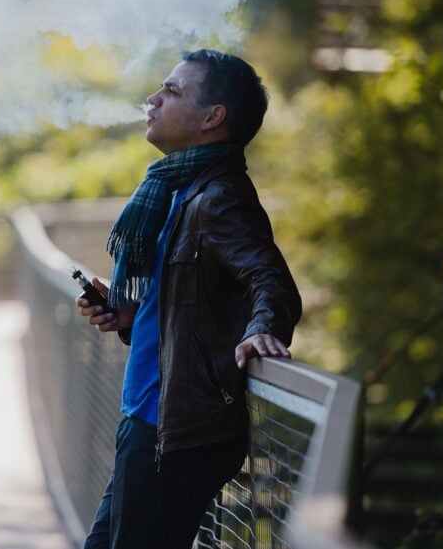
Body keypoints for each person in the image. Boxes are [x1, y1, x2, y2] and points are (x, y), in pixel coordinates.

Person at [76, 49, 302, 548]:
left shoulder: (220, 196)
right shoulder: (180, 189)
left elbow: (271, 280)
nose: (152, 100)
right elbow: (185, 308)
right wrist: (128, 313)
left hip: (177, 431)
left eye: (172, 91)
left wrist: (263, 327)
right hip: (148, 418)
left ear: (212, 117)